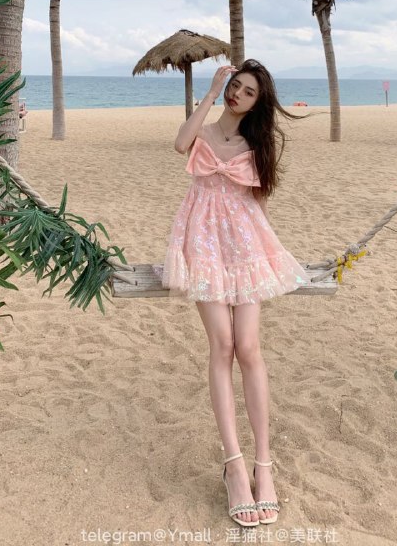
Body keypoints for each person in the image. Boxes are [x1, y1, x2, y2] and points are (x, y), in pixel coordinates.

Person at [162, 59, 309, 527]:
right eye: (235, 86)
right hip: (202, 242)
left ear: (257, 103)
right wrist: (209, 93)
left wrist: (262, 248)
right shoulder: (204, 131)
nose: (237, 95)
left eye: (247, 92)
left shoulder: (257, 143)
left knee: (249, 347)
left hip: (243, 244)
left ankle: (264, 465)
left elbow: (257, 202)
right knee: (222, 345)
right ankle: (234, 464)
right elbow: (180, 143)